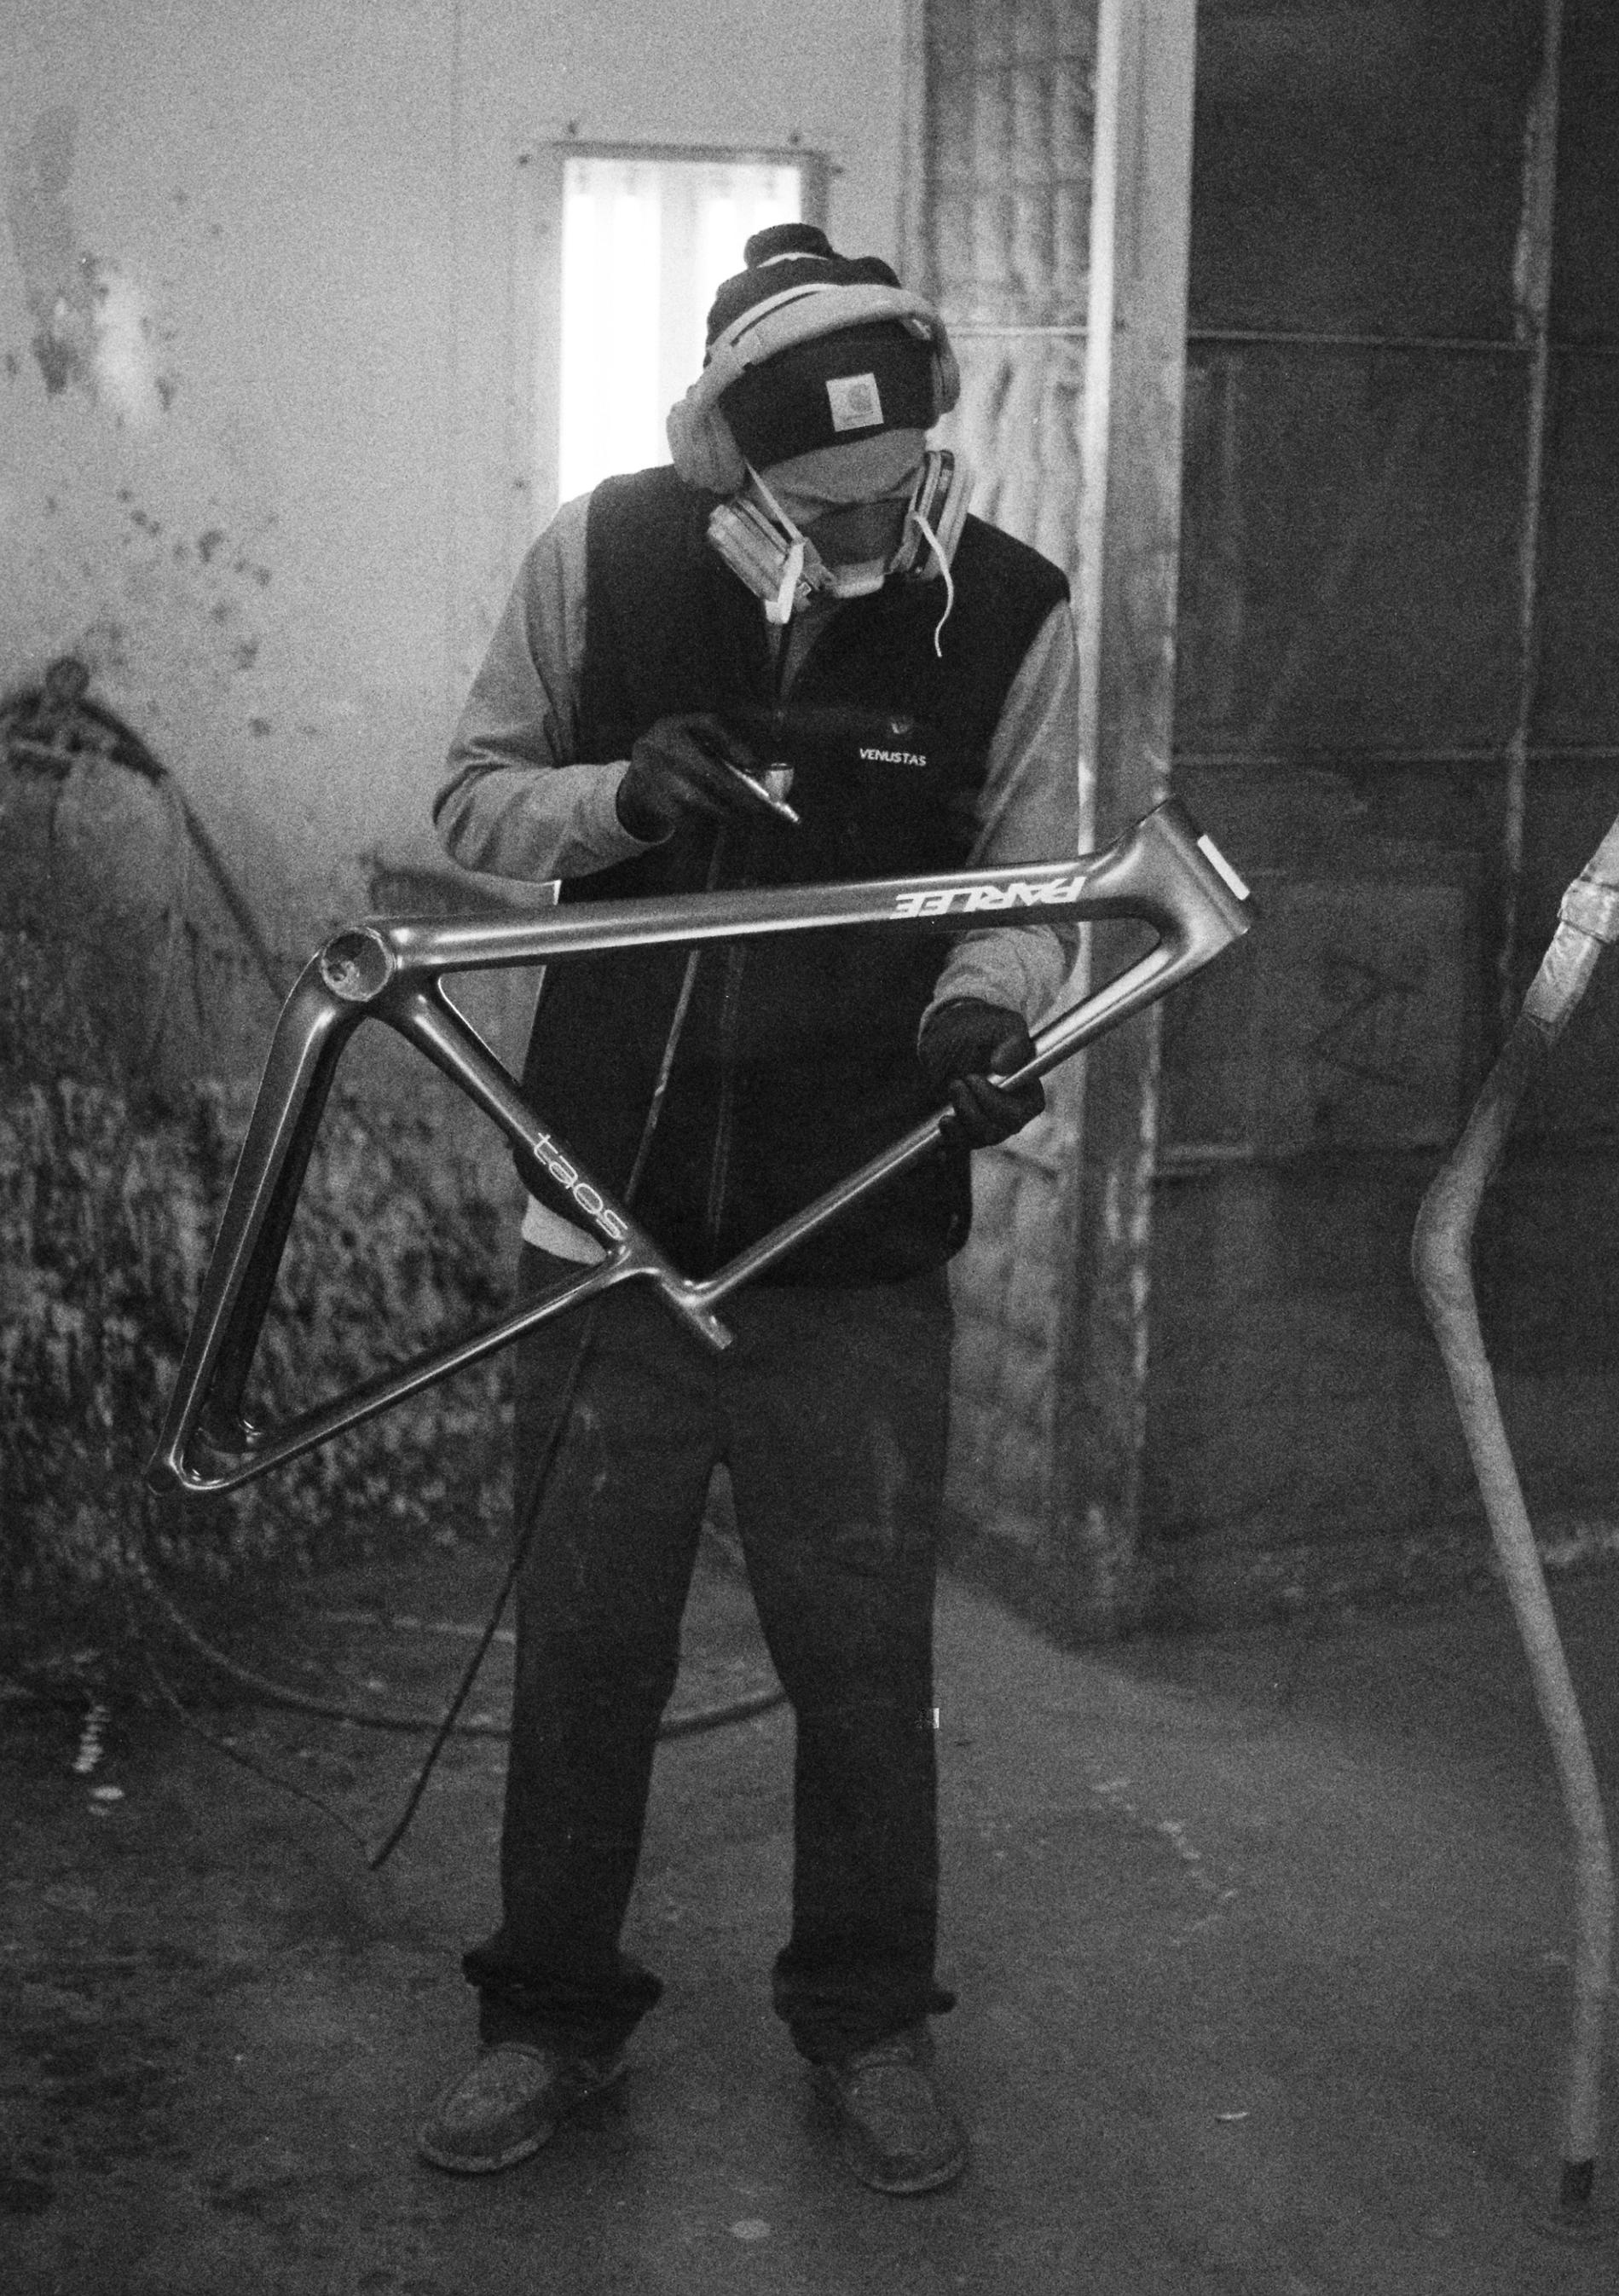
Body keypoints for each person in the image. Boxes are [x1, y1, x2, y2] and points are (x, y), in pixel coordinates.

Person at [419, 223, 1079, 2195]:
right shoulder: (600, 558)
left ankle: (868, 2022)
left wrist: (986, 1012)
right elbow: (470, 801)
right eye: (820, 506)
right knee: (588, 1649)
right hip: (606, 1216)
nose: (866, 540)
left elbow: (1020, 886)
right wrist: (618, 797)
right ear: (728, 462)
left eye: (896, 502)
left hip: (852, 1235)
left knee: (866, 1661)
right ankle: (549, 2016)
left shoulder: (1012, 612)